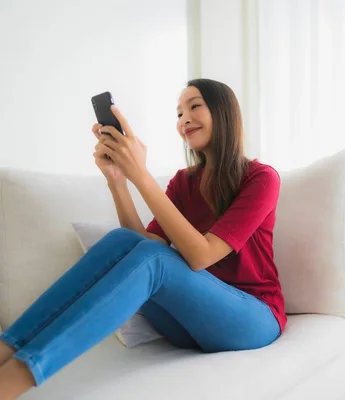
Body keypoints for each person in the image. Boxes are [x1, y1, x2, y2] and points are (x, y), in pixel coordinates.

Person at [0, 79, 286, 399]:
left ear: (224, 112)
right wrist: (119, 183)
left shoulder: (261, 178)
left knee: (156, 261)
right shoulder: (183, 182)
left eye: (194, 106)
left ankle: (14, 380)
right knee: (123, 241)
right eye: (178, 113)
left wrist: (142, 175)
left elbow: (202, 255)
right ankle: (4, 348)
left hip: (251, 319)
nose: (184, 119)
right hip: (190, 324)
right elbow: (142, 244)